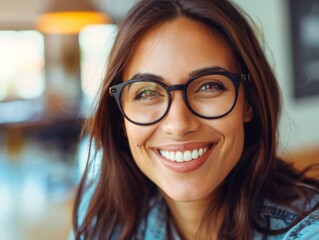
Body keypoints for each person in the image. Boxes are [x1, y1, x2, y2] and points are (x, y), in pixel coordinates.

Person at [71, 0, 319, 239]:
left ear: (249, 102)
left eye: (209, 86)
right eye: (146, 92)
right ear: (120, 118)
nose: (178, 125)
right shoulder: (99, 216)